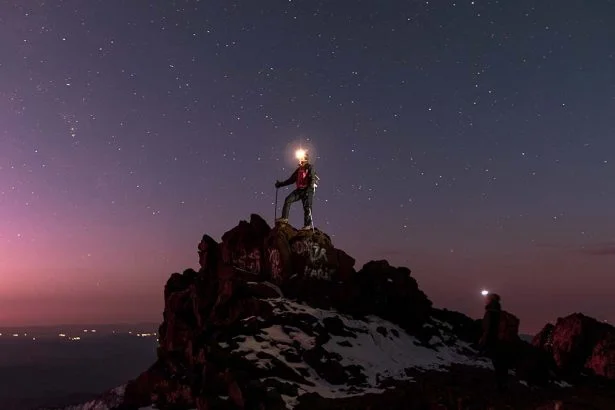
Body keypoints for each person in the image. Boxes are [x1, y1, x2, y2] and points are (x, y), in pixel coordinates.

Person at [479, 293, 516, 393]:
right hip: (503, 343)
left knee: (498, 364)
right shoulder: (500, 313)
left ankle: (500, 387)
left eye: (487, 299)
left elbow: (487, 329)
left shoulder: (490, 313)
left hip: (495, 342)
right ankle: (504, 385)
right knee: (502, 364)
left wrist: (483, 342)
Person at [275, 152, 318, 229]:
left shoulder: (310, 167)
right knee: (288, 199)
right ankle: (284, 218)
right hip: (299, 190)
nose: (299, 159)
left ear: (305, 159)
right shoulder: (298, 170)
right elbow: (291, 180)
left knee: (307, 207)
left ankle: (307, 226)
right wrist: (280, 184)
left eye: (301, 158)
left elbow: (312, 178)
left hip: (308, 190)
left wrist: (309, 189)